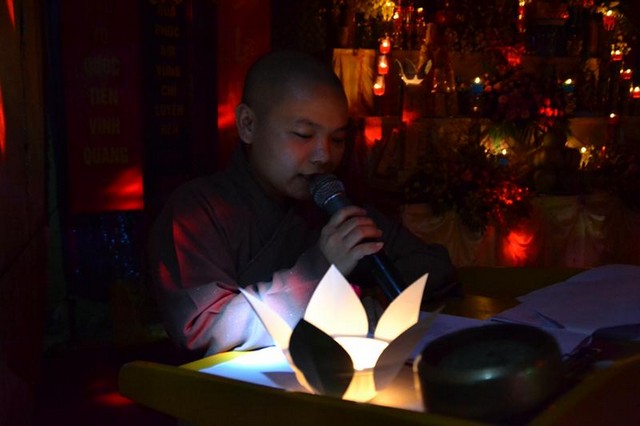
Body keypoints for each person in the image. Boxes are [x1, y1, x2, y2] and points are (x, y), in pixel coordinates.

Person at [149, 50, 457, 357]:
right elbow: (204, 328)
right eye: (303, 134)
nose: (324, 156)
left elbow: (435, 267)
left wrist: (374, 294)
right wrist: (321, 269)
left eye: (337, 139)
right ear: (248, 125)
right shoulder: (198, 211)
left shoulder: (330, 205)